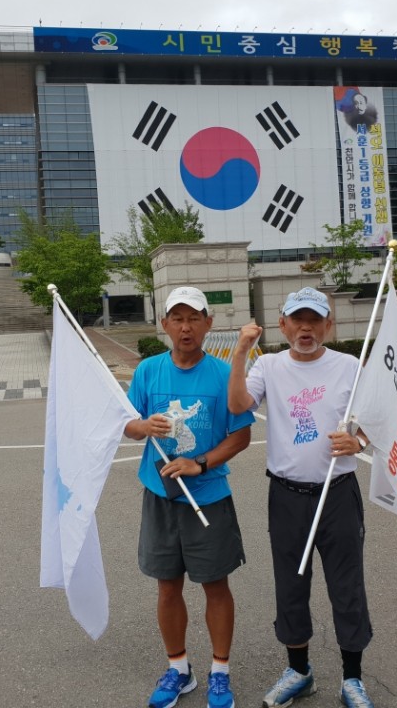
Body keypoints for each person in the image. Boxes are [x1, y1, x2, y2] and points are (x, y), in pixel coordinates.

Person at [227, 286, 376, 708]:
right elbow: (238, 404)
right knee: (290, 586)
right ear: (283, 324)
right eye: (298, 320)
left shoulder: (350, 366)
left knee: (347, 587)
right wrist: (240, 351)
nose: (305, 328)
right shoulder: (269, 366)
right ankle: (299, 671)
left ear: (329, 324)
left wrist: (359, 442)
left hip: (337, 494)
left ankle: (352, 679)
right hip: (287, 495)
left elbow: (383, 417)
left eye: (315, 320)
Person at [124, 286, 254, 708]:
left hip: (209, 496)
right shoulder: (148, 371)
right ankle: (178, 669)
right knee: (167, 587)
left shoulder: (221, 374)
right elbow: (126, 423)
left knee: (216, 586)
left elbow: (241, 434)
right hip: (160, 495)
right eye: (177, 318)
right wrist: (142, 427)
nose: (185, 327)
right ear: (164, 325)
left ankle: (220, 671)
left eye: (194, 318)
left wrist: (200, 462)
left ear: (207, 324)